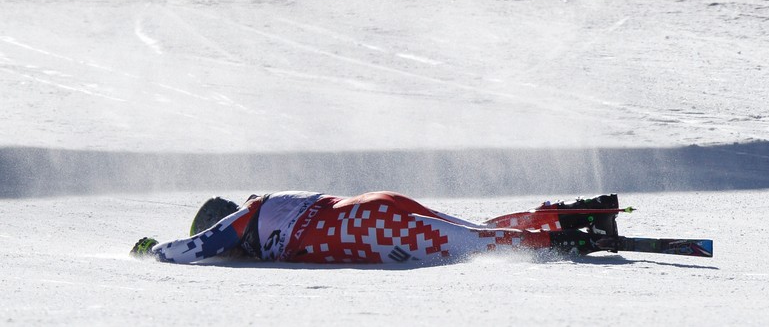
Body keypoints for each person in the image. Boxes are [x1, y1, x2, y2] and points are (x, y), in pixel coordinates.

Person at [131, 191, 622, 264]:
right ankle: (575, 214)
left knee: (475, 243)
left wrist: (152, 251)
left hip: (364, 228)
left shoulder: (249, 216)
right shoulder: (274, 202)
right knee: (476, 231)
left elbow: (201, 246)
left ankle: (570, 240)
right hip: (369, 208)